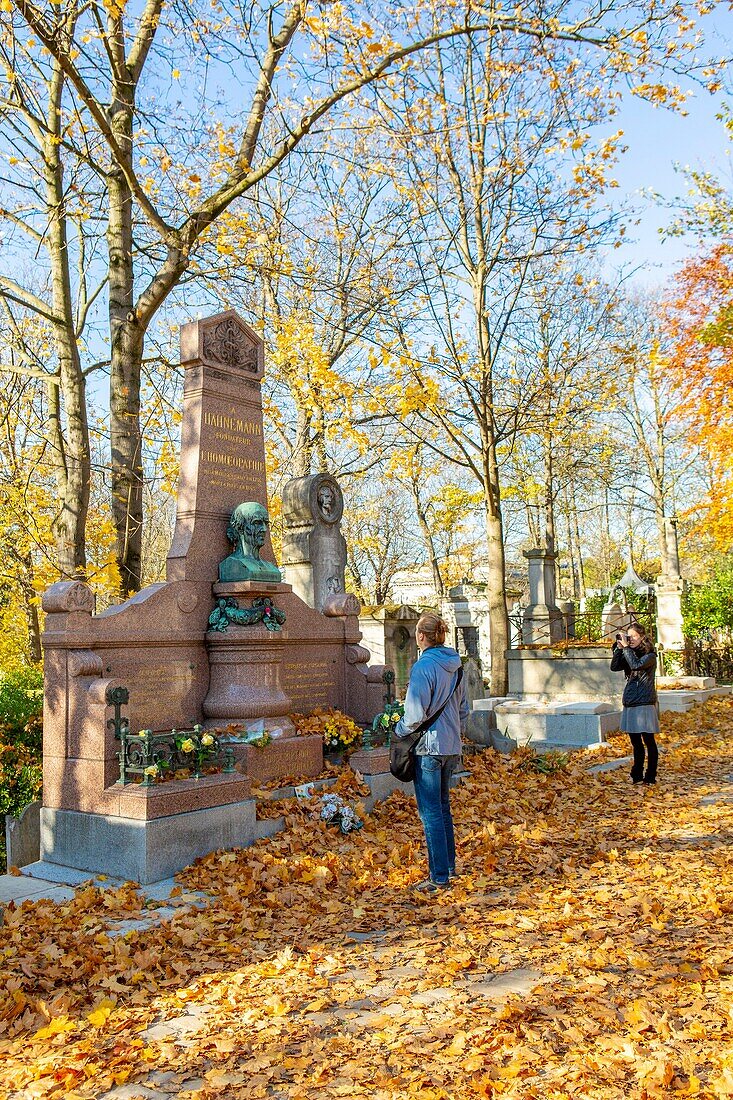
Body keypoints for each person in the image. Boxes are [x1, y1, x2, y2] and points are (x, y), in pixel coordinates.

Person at [393, 613, 469, 892]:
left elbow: (414, 714)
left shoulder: (423, 667)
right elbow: (464, 710)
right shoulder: (456, 666)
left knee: (430, 813)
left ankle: (439, 877)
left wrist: (400, 730)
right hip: (451, 746)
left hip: (428, 747)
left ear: (422, 636)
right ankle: (448, 867)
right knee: (443, 807)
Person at [611, 621, 659, 785]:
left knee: (649, 741)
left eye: (633, 637)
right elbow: (615, 667)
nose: (630, 639)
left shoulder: (650, 656)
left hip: (644, 702)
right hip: (631, 701)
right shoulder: (629, 652)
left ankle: (650, 776)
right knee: (635, 742)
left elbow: (636, 665)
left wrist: (626, 649)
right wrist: (618, 649)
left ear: (642, 637)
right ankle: (636, 774)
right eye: (628, 636)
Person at [219, 502, 282, 583]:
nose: (264, 529)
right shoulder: (231, 564)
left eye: (265, 523)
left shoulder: (270, 567)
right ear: (240, 528)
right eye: (257, 523)